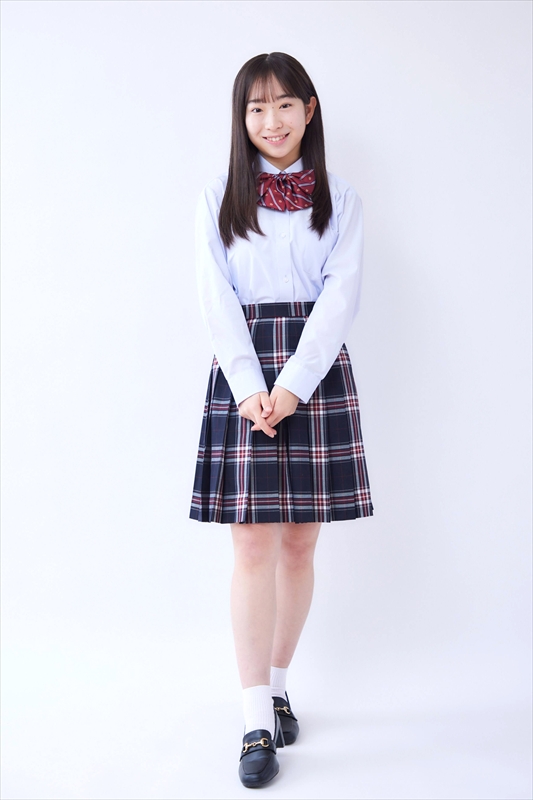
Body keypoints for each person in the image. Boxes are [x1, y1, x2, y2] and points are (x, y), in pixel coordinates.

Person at [189, 52, 374, 788]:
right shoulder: (218, 197)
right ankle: (254, 720)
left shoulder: (341, 198)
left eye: (284, 105)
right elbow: (215, 299)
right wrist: (248, 388)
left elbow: (340, 298)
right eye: (257, 108)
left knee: (298, 545)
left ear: (309, 110)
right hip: (243, 372)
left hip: (314, 374)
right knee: (250, 546)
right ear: (242, 119)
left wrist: (293, 385)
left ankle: (279, 684)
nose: (272, 121)